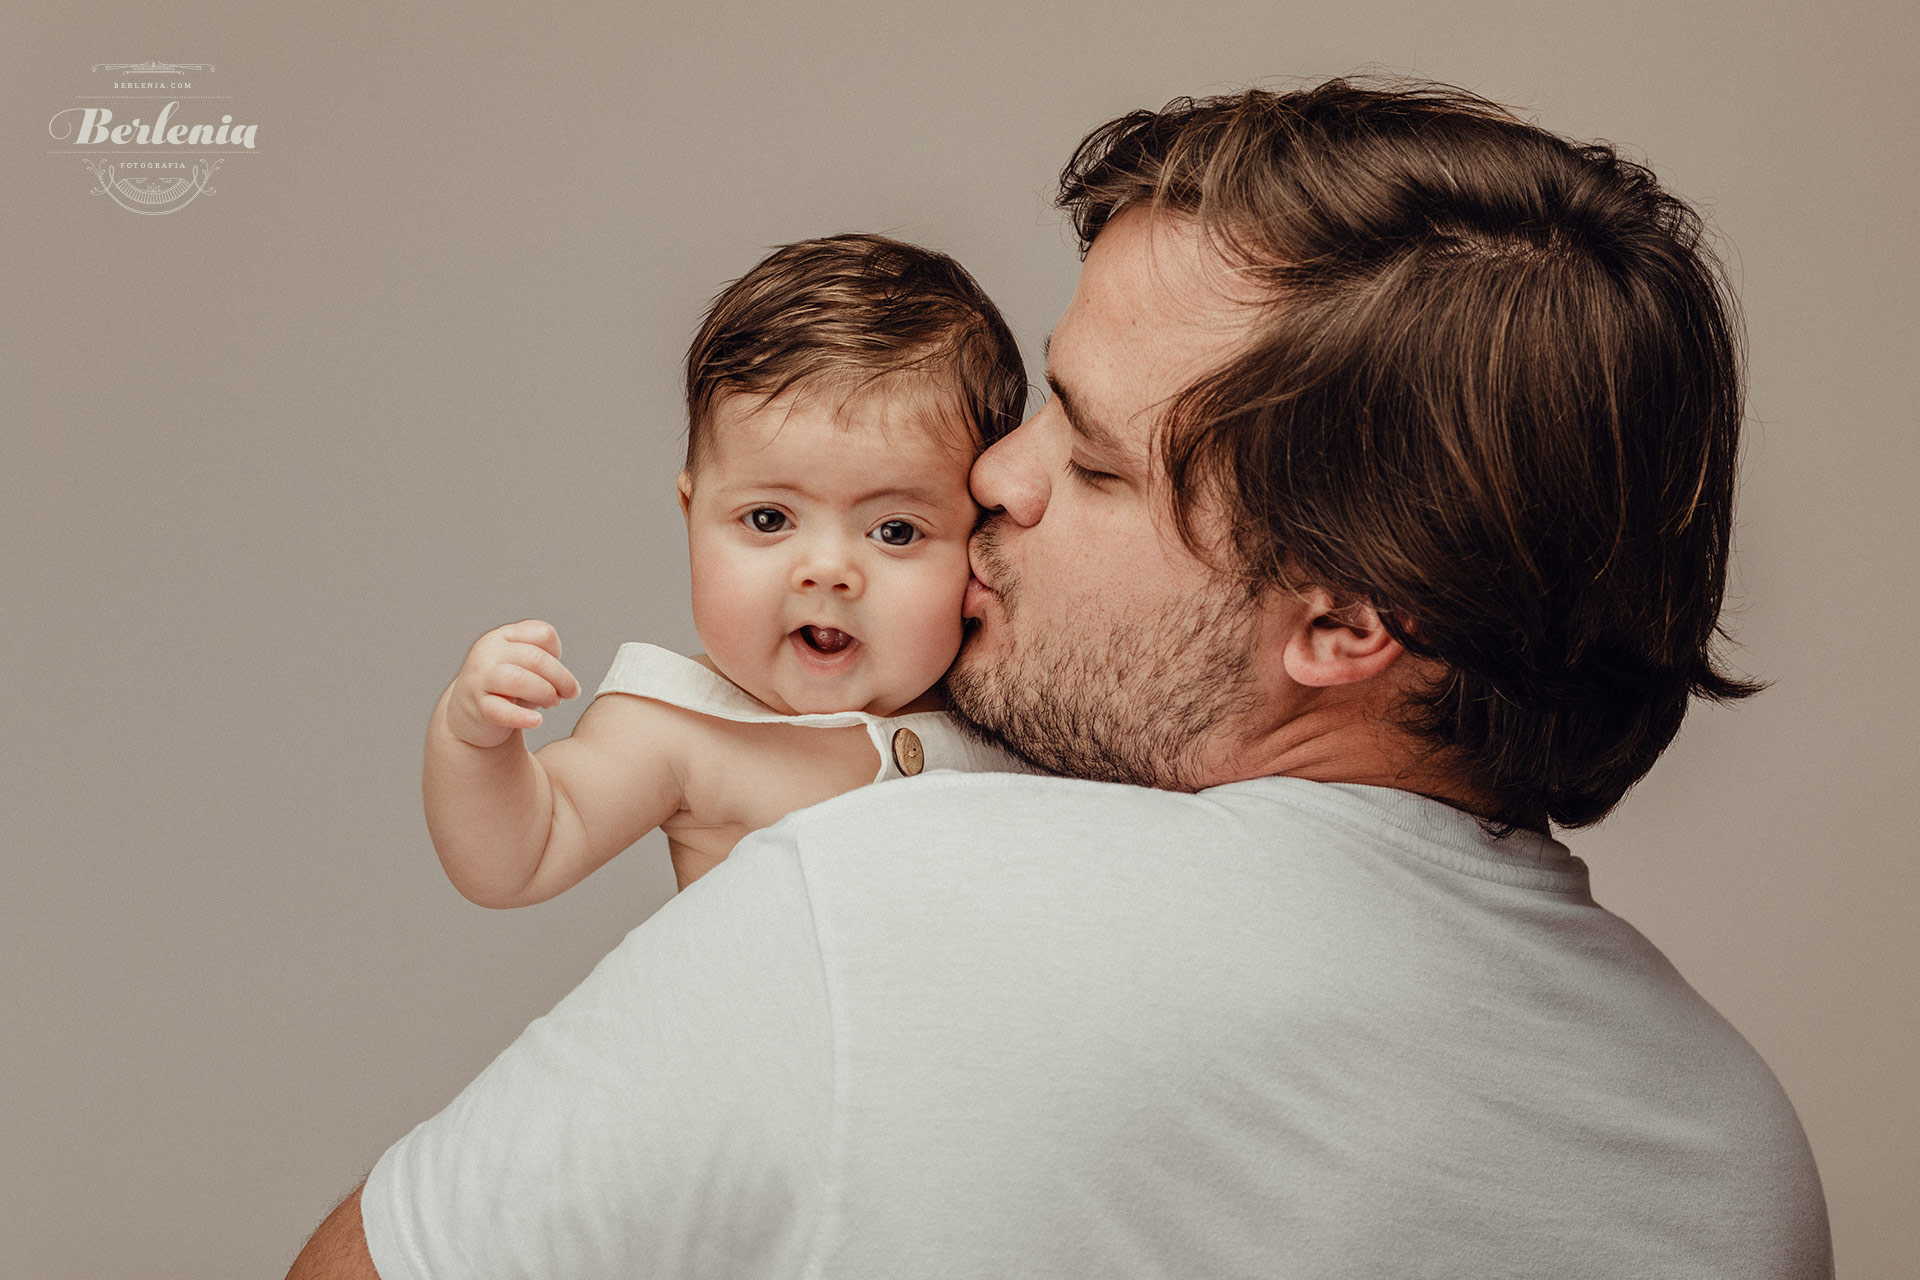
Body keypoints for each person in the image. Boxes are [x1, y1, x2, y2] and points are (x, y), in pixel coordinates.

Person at [290, 80, 1833, 1278]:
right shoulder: (1734, 1155)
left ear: (1346, 621)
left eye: (1089, 460)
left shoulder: (875, 904)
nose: (995, 480)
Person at [424, 234, 1031, 902]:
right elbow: (521, 857)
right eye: (769, 519)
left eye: (895, 531)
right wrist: (474, 739)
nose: (827, 571)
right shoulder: (673, 728)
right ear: (691, 513)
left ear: (982, 537)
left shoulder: (1006, 698)